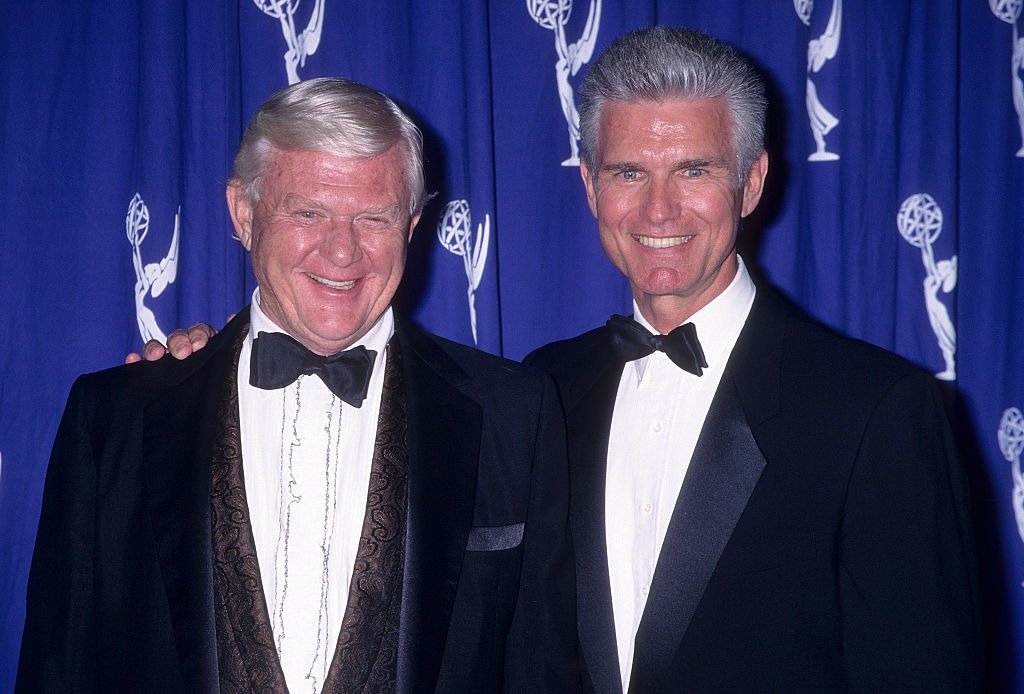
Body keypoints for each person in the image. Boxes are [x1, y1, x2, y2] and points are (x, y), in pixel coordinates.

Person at [132, 27, 982, 693]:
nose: (658, 208)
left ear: (751, 184)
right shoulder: (536, 395)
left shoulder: (880, 414)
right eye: (626, 171)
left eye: (693, 168)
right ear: (587, 185)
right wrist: (201, 375)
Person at [18, 77, 577, 692]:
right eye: (309, 212)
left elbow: (542, 670)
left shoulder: (512, 414)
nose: (342, 252)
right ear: (244, 213)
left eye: (374, 217)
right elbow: (58, 670)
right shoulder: (114, 419)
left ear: (413, 225)